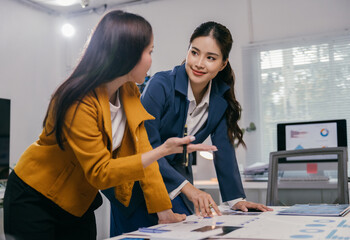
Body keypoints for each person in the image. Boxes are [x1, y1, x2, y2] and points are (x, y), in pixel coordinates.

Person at [3, 11, 217, 240]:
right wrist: (162, 150)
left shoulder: (129, 91)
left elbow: (143, 149)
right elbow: (100, 172)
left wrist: (163, 211)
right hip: (34, 198)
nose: (152, 59)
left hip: (77, 202)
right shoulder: (79, 100)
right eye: (149, 51)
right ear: (128, 54)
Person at [105, 20, 273, 237]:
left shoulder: (219, 99)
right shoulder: (161, 84)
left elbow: (223, 150)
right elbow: (146, 145)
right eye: (195, 53)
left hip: (177, 182)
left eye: (210, 58)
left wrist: (237, 200)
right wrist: (188, 188)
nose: (199, 63)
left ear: (223, 64)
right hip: (139, 182)